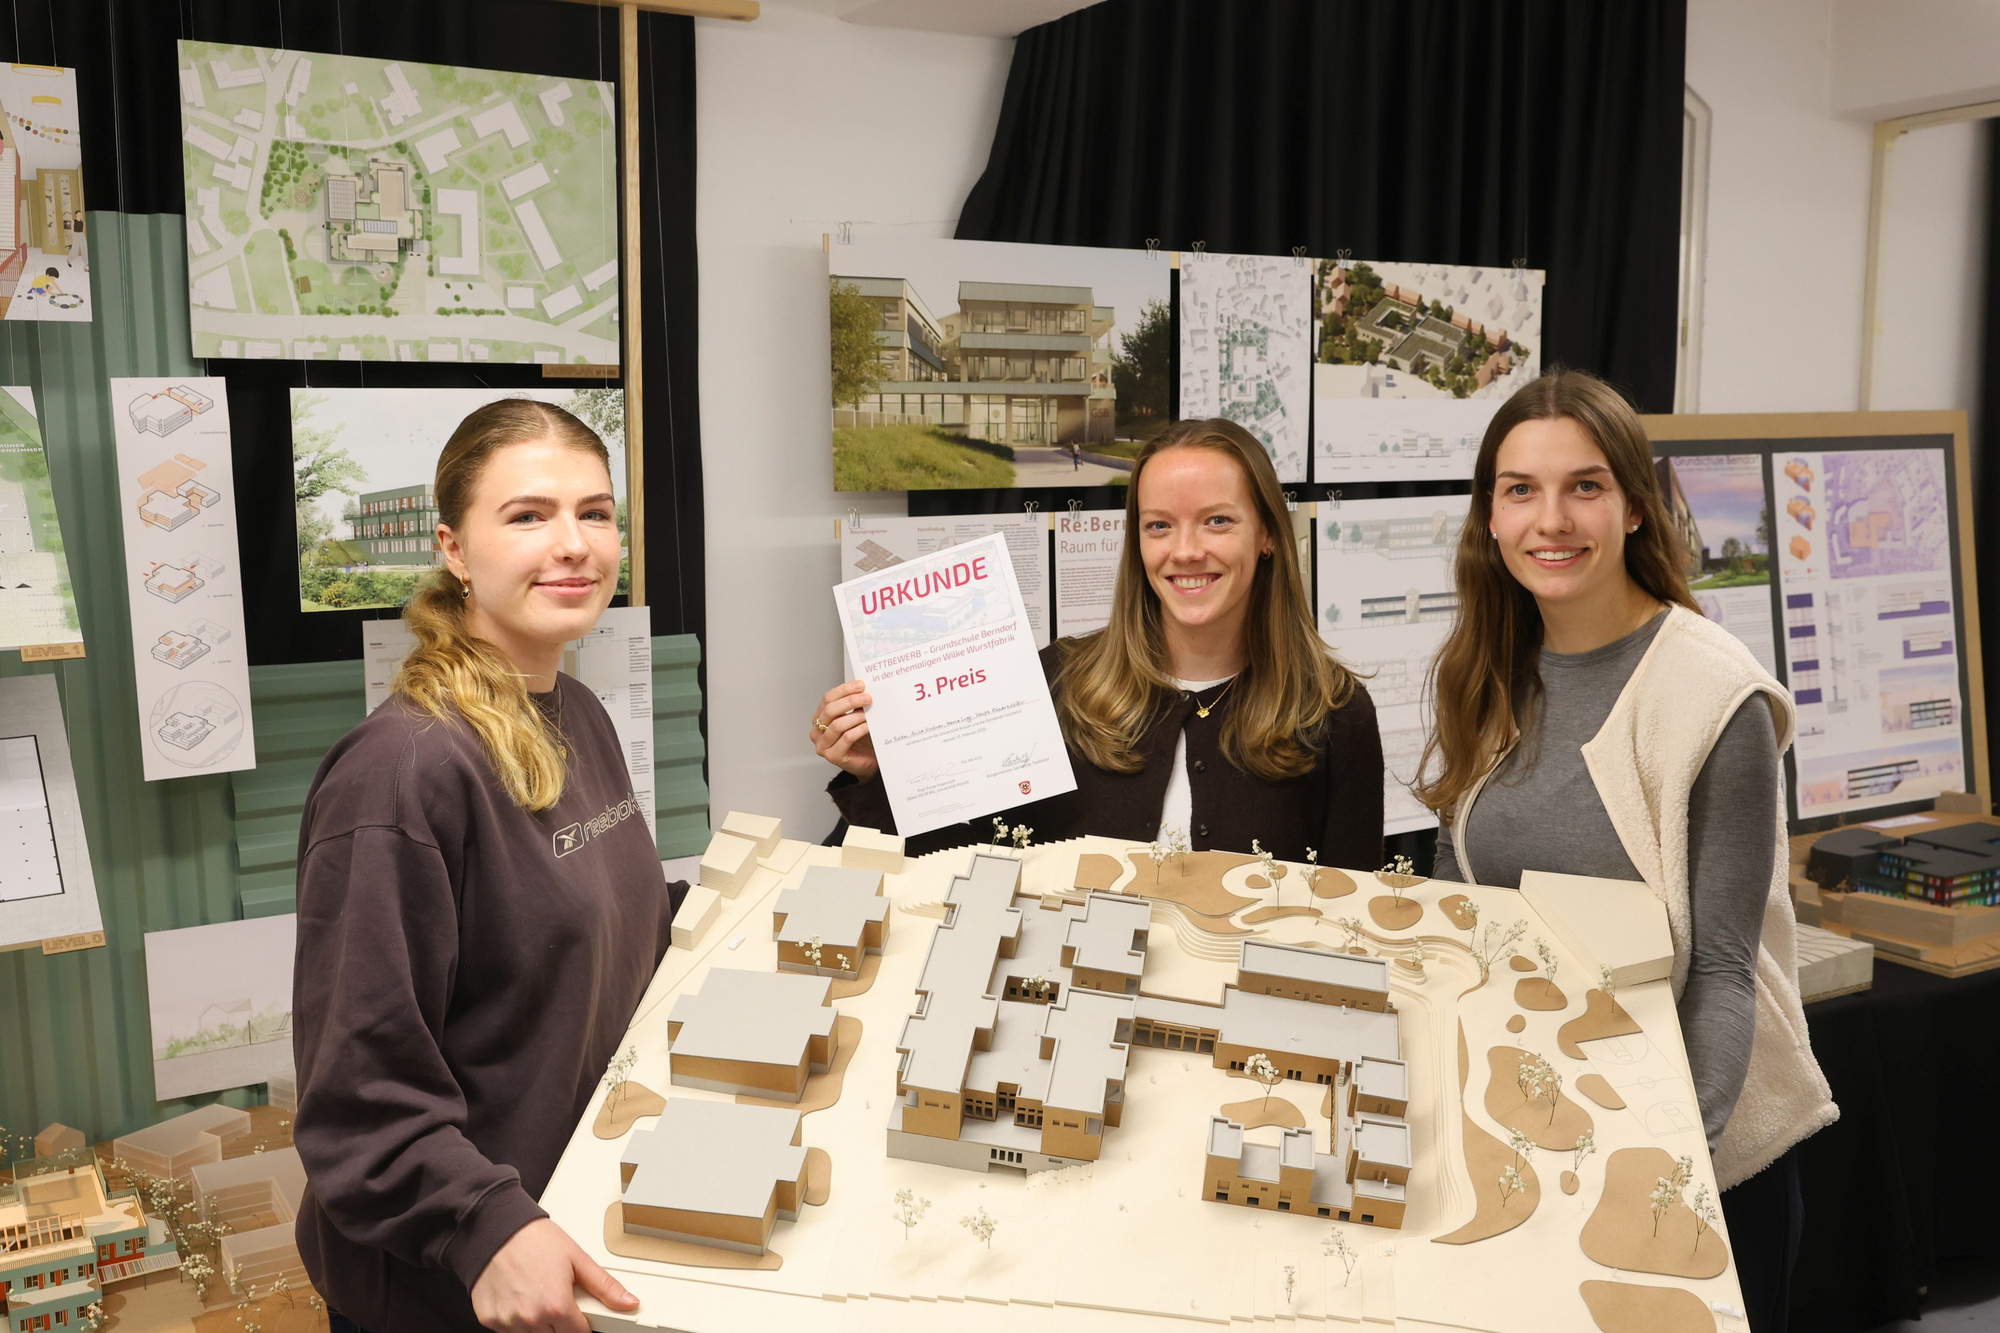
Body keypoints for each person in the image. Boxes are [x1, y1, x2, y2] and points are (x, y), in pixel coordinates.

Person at [1419, 370, 1834, 1333]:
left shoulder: (1714, 696)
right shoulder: (1489, 663)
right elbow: (1459, 885)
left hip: (1694, 1160)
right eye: (1521, 489)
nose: (1551, 519)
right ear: (1490, 515)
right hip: (1542, 1127)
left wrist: (1659, 1163)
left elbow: (1722, 972)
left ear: (1636, 507)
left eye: (1585, 486)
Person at [292, 400, 679, 1333]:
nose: (574, 543)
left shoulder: (579, 713)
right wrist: (481, 1223)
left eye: (595, 513)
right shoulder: (404, 772)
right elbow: (359, 1095)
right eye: (528, 515)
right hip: (453, 1285)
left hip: (575, 1224)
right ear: (454, 549)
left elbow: (600, 924)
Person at [811, 417, 1384, 869]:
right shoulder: (1054, 681)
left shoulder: (1336, 713)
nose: (1185, 551)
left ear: (1267, 536)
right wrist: (877, 776)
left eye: (1217, 521)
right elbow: (950, 862)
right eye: (1159, 525)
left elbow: (1352, 919)